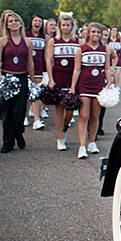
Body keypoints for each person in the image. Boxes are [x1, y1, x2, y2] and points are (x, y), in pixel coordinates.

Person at [0, 11, 35, 153]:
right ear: (7, 25)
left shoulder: (28, 42)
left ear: (21, 23)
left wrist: (33, 80)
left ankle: (18, 132)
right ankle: (8, 142)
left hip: (22, 77)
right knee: (7, 112)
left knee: (20, 110)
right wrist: (1, 80)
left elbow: (30, 62)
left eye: (16, 21)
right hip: (7, 78)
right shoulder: (2, 41)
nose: (14, 23)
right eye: (10, 21)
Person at [70, 23, 110, 159]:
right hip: (84, 86)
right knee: (84, 116)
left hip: (98, 86)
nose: (96, 35)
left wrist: (109, 84)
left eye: (98, 32)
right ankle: (82, 146)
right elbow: (77, 70)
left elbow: (107, 69)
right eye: (93, 32)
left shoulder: (105, 49)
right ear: (88, 33)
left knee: (95, 116)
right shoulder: (81, 49)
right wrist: (72, 87)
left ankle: (92, 142)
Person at [46, 13, 79, 151]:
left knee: (70, 110)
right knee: (59, 109)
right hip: (58, 77)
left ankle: (65, 128)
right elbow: (48, 60)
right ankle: (60, 138)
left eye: (68, 25)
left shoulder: (78, 41)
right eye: (63, 25)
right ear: (60, 26)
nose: (65, 28)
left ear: (72, 26)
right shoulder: (53, 41)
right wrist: (50, 79)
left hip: (73, 79)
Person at [25, 14, 46, 130]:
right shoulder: (25, 35)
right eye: (35, 21)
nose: (37, 23)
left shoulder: (44, 37)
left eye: (40, 21)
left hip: (38, 67)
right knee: (24, 94)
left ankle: (37, 120)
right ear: (31, 22)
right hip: (25, 67)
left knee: (36, 93)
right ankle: (24, 117)